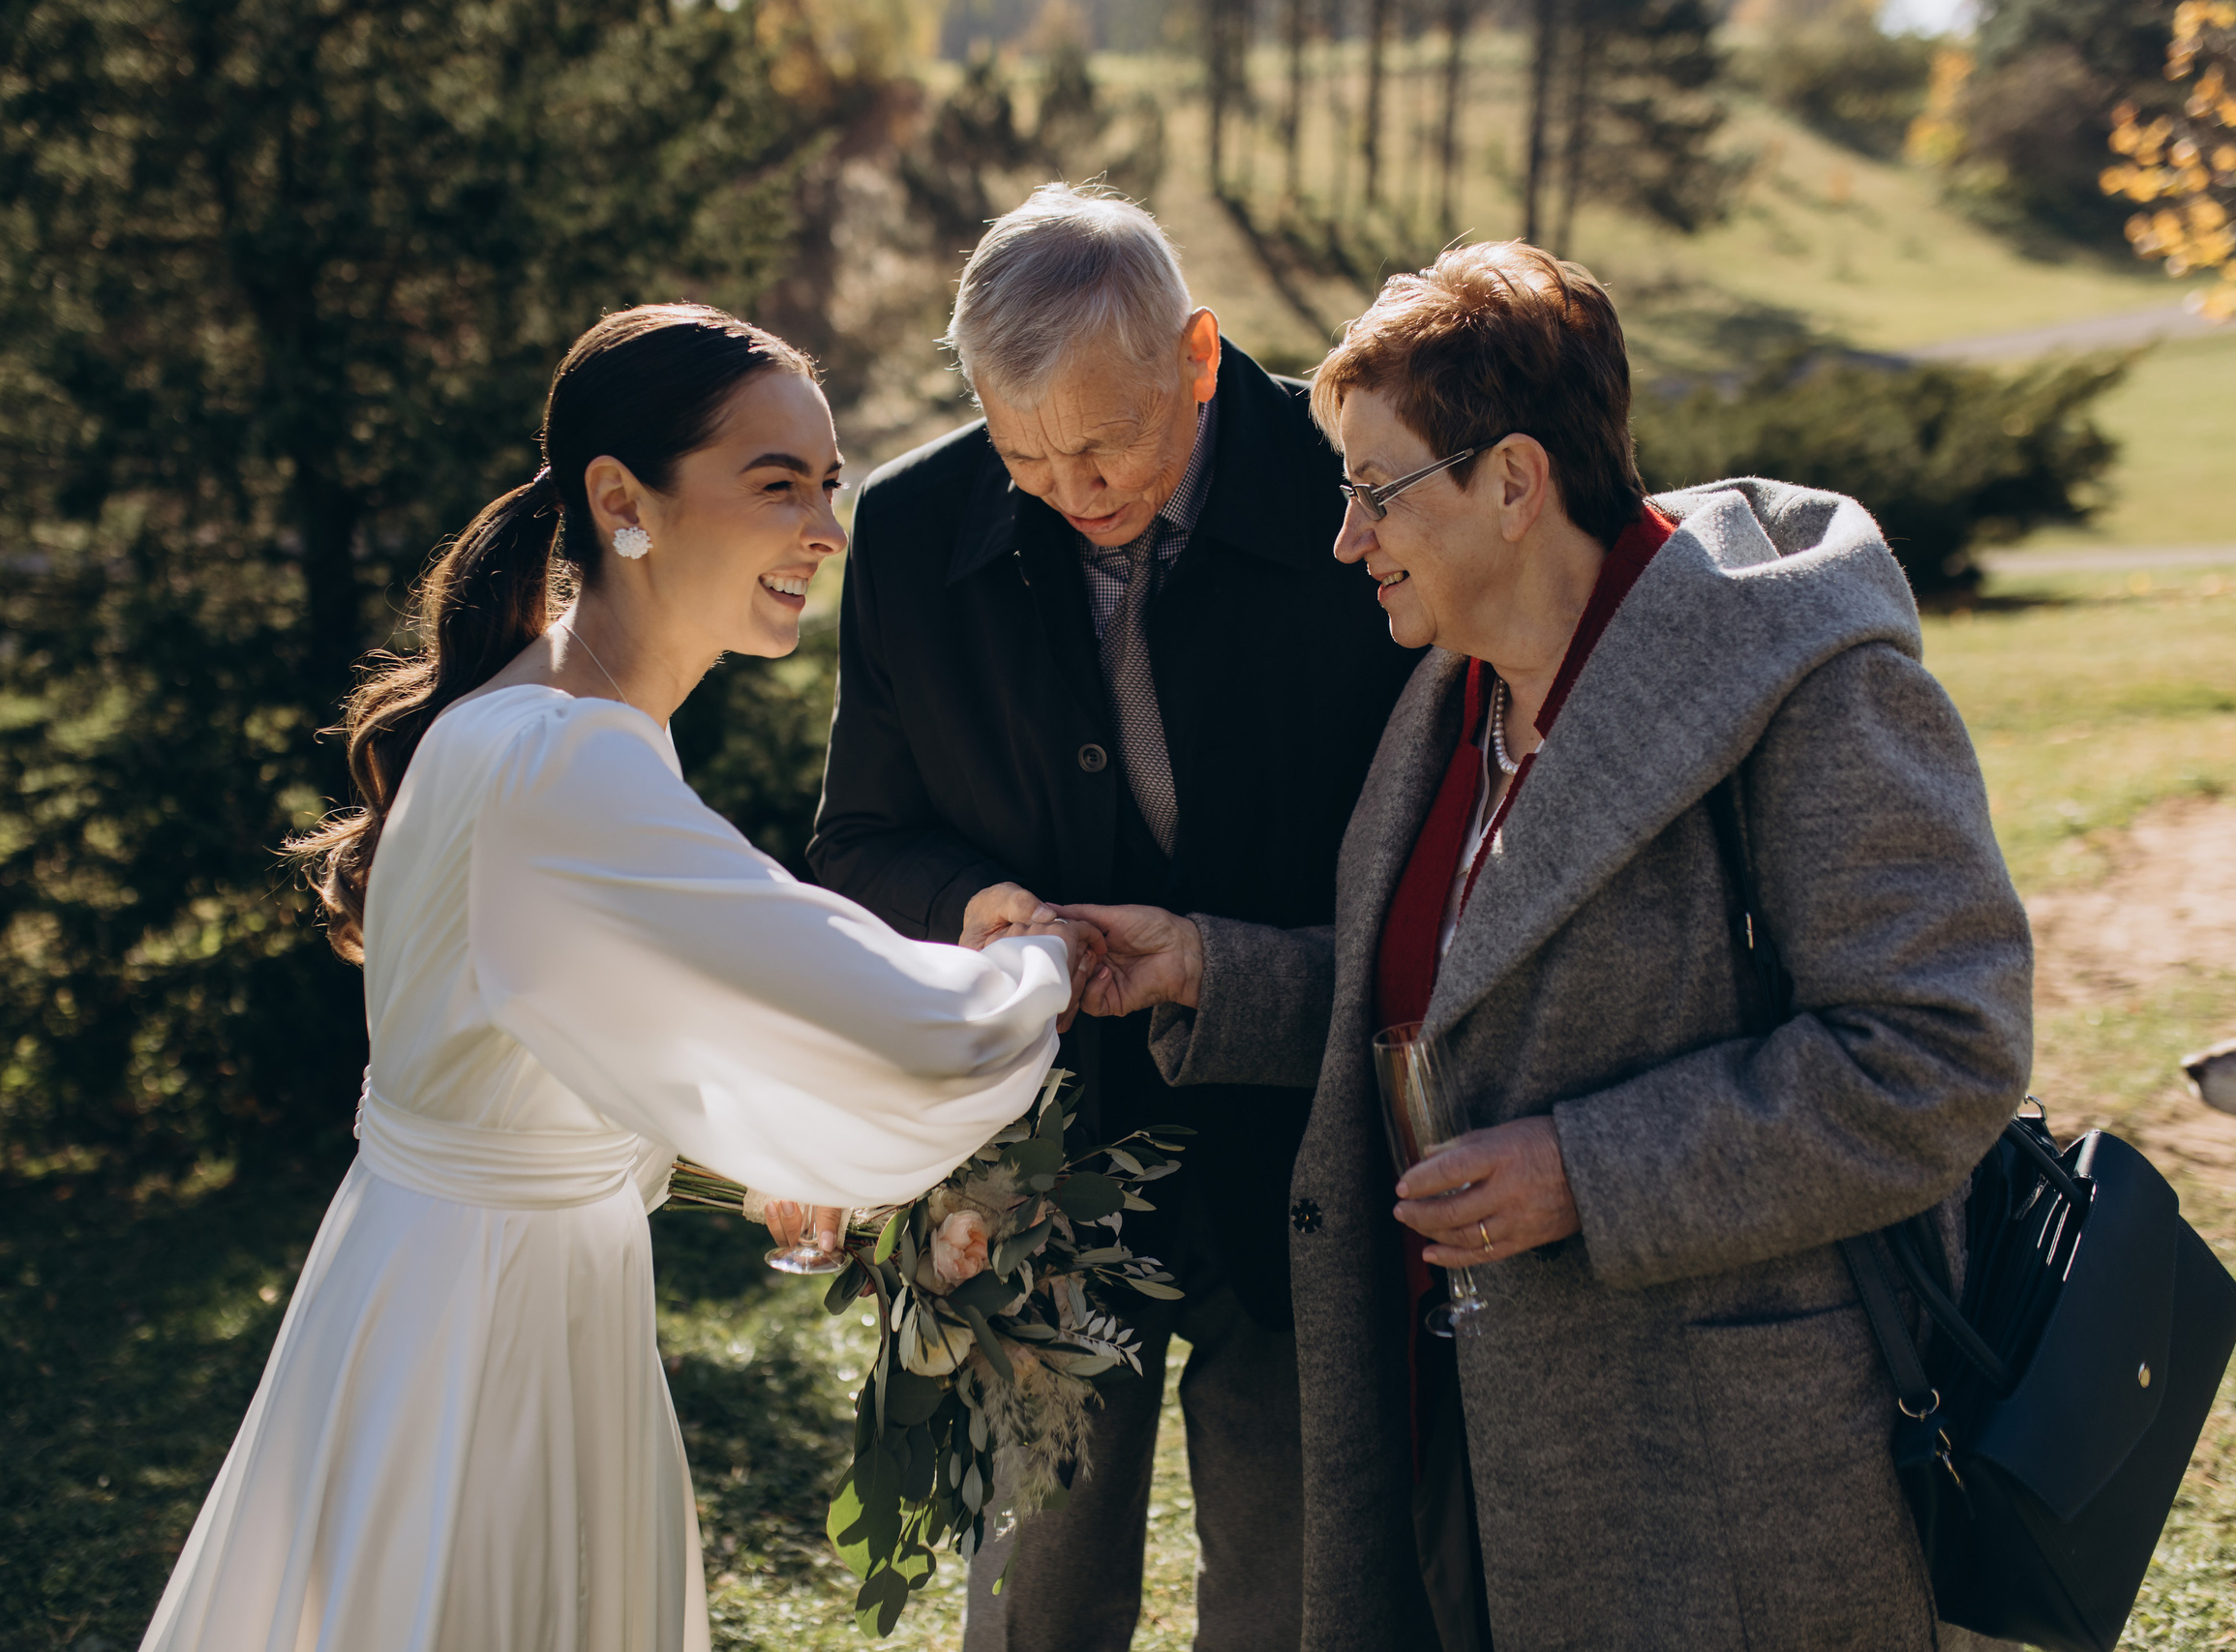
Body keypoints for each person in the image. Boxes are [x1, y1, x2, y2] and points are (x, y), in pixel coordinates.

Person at [1063, 243, 2035, 1652]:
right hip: (1462, 1443)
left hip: (1725, 1490)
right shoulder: (1451, 700)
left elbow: (1941, 1054)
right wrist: (1207, 971)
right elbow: (1469, 1007)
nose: (1348, 541)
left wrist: (1588, 1170)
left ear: (1514, 483)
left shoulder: (1812, 686)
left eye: (1376, 492)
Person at [138, 305, 1099, 1652]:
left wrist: (758, 1146)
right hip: (489, 1333)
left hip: (445, 1285)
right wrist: (1038, 956)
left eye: (829, 485)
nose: (825, 529)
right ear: (620, 501)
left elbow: (566, 1040)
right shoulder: (564, 762)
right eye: (776, 485)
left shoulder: (542, 724)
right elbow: (910, 1032)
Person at [808, 184, 1417, 1651]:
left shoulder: (1358, 488)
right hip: (1045, 1160)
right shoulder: (907, 534)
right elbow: (859, 843)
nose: (1071, 488)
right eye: (1026, 453)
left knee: (1292, 1585)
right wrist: (978, 905)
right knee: (1037, 1587)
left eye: (1106, 443)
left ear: (1200, 356)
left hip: (1311, 1137)